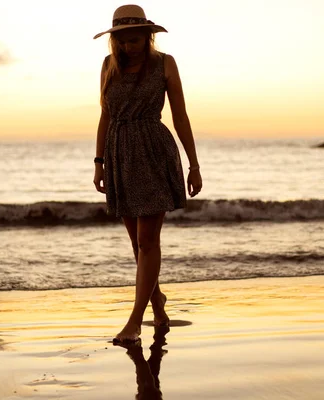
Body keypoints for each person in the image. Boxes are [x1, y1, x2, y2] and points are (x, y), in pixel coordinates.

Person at [92, 4, 202, 343]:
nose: (128, 46)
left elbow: (180, 116)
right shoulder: (108, 66)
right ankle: (157, 301)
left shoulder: (165, 63)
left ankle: (135, 321)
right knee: (137, 245)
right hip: (119, 152)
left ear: (148, 36)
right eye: (122, 41)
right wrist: (99, 162)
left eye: (135, 39)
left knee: (147, 241)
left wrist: (193, 164)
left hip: (154, 151)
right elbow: (105, 117)